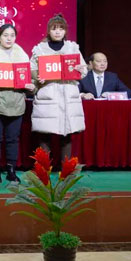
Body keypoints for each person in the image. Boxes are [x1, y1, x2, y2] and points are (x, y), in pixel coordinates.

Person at [0, 24, 35, 183]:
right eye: (5, 35)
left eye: (12, 35)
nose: (9, 38)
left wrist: (31, 86)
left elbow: (30, 80)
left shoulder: (22, 57)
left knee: (13, 139)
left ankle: (11, 170)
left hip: (16, 103)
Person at [30, 14, 87, 161]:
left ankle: (66, 170)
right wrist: (38, 77)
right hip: (47, 96)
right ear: (48, 31)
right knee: (44, 135)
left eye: (61, 29)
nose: (57, 32)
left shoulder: (73, 48)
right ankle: (43, 170)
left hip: (68, 96)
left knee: (67, 135)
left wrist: (80, 69)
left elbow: (83, 70)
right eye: (54, 29)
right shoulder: (40, 49)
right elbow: (32, 70)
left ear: (65, 31)